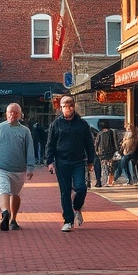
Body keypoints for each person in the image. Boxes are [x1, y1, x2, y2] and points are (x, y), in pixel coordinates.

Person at [45, 95, 95, 232]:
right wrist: (49, 161)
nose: (68, 108)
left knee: (81, 188)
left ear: (74, 106)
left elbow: (89, 143)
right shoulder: (56, 124)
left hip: (79, 161)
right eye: (64, 106)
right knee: (65, 191)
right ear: (60, 108)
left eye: (70, 105)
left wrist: (91, 160)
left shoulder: (82, 124)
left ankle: (77, 207)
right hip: (62, 161)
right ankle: (68, 220)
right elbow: (50, 143)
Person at [0, 103, 35, 231]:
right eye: (10, 112)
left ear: (20, 115)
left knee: (16, 193)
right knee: (3, 189)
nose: (12, 115)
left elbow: (30, 149)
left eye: (15, 112)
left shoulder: (25, 131)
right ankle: (5, 213)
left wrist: (30, 167)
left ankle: (13, 218)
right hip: (0, 167)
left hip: (19, 169)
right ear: (6, 114)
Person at [94, 122, 119, 187]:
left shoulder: (100, 133)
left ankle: (103, 181)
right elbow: (115, 142)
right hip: (110, 152)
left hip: (101, 153)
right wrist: (116, 150)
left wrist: (96, 150)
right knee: (110, 167)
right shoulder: (111, 132)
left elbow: (96, 143)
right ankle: (109, 181)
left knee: (103, 167)